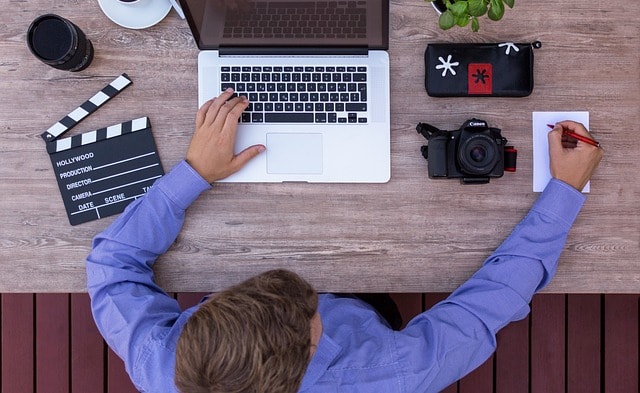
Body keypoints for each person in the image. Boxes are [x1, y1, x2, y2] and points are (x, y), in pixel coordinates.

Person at [86, 89, 603, 393]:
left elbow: (110, 265)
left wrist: (195, 172)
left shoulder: (161, 360)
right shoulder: (388, 374)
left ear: (213, 307)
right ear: (312, 350)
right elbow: (489, 305)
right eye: (314, 310)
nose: (318, 294)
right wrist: (564, 190)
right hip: (376, 311)